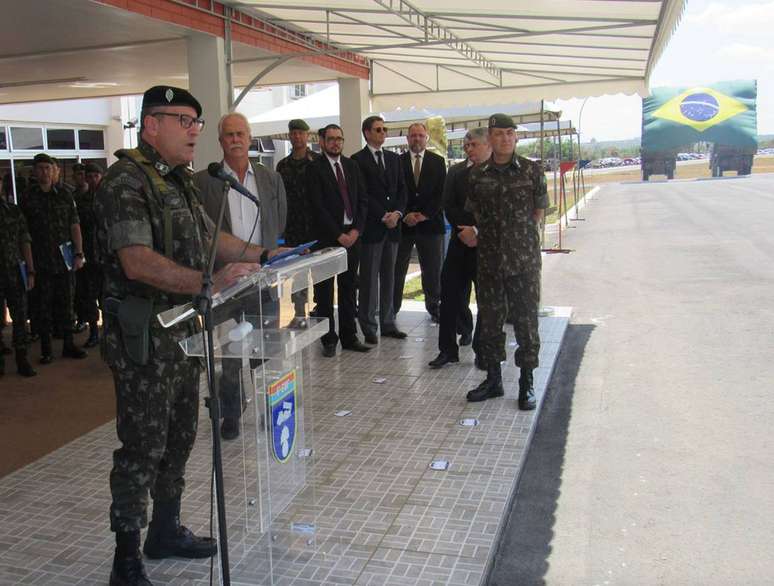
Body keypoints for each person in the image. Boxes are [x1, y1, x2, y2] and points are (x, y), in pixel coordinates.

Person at [95, 85, 285, 586]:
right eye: (185, 120)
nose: (195, 130)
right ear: (151, 124)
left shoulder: (178, 180)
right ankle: (127, 557)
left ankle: (164, 530)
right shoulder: (125, 181)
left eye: (197, 122)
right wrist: (205, 281)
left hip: (183, 333)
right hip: (144, 339)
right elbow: (135, 261)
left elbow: (209, 238)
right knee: (142, 446)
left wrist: (262, 256)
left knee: (181, 436)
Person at [194, 112, 287, 441]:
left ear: (250, 139)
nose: (235, 139)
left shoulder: (269, 177)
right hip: (227, 281)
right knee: (230, 354)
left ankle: (268, 410)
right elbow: (204, 233)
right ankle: (231, 413)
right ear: (220, 142)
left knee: (266, 350)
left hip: (262, 280)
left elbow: (280, 218)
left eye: (240, 134)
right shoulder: (205, 181)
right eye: (228, 135)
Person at [465, 114, 548, 410]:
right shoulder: (477, 174)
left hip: (523, 262)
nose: (505, 139)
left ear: (515, 137)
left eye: (510, 133)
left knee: (526, 322)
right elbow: (476, 215)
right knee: (489, 321)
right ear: (490, 137)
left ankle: (526, 382)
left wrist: (514, 237)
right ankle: (494, 379)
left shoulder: (531, 170)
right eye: (498, 134)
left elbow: (539, 213)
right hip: (489, 262)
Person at [429, 128, 491, 369]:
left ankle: (482, 349)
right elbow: (448, 205)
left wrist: (476, 231)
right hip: (458, 242)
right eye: (466, 145)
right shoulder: (455, 172)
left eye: (473, 144)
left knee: (486, 300)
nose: (469, 149)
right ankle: (447, 349)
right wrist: (464, 229)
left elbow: (495, 211)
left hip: (485, 247)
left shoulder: (496, 173)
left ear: (488, 145)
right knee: (449, 295)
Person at [306, 123, 370, 357]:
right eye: (331, 139)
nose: (336, 143)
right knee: (324, 291)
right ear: (322, 141)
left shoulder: (352, 166)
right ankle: (328, 339)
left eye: (339, 139)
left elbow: (363, 200)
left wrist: (356, 231)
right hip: (327, 238)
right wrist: (337, 235)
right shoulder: (314, 169)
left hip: (352, 236)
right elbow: (317, 206)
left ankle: (349, 336)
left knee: (349, 288)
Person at [21, 153, 88, 363]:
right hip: (40, 262)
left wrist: (79, 253)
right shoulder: (27, 197)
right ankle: (46, 349)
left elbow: (74, 226)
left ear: (54, 171)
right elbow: (23, 235)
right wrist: (29, 265)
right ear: (34, 171)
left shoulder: (65, 195)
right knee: (43, 306)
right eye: (40, 168)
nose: (44, 172)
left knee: (67, 303)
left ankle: (68, 345)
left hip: (64, 260)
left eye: (48, 168)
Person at [351, 116, 407, 344]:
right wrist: (382, 215)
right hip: (373, 229)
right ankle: (368, 325)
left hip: (393, 229)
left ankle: (388, 321)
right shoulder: (357, 160)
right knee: (369, 279)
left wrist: (397, 213)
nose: (383, 133)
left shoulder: (394, 159)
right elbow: (362, 194)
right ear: (367, 133)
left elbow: (402, 191)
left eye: (385, 129)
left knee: (389, 277)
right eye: (378, 129)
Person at [394, 122, 446, 322]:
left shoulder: (437, 162)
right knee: (398, 270)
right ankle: (393, 308)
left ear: (427, 138)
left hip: (430, 226)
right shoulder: (397, 162)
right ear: (407, 139)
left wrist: (424, 215)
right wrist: (405, 214)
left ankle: (434, 307)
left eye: (420, 135)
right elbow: (395, 192)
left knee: (432, 270)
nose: (416, 139)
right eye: (412, 135)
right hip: (403, 226)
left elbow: (442, 194)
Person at [275, 119, 319, 321]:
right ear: (290, 136)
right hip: (293, 227)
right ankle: (299, 311)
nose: (297, 137)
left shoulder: (317, 161)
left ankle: (320, 307)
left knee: (319, 270)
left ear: (307, 136)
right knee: (297, 271)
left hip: (315, 225)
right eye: (293, 133)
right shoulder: (282, 165)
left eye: (301, 133)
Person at [0, 174, 36, 377]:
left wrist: (30, 270)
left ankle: (22, 359)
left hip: (14, 272)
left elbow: (25, 242)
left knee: (20, 317)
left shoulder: (13, 212)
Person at [74, 162, 104, 348]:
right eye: (89, 176)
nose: (92, 179)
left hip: (105, 257)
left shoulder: (109, 197)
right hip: (87, 257)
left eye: (96, 176)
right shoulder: (78, 199)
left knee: (107, 296)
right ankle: (93, 332)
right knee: (88, 296)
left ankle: (108, 332)